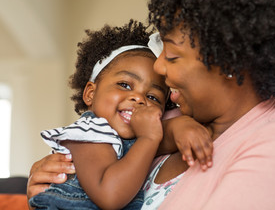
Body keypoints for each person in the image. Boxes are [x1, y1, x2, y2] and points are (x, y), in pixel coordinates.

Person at [28, 0, 275, 209]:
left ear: (230, 60)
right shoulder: (165, 125)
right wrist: (58, 186)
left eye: (172, 55)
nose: (159, 68)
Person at [28, 20, 212, 210]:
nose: (139, 98)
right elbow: (110, 196)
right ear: (91, 93)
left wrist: (182, 127)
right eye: (125, 85)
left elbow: (161, 135)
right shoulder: (89, 133)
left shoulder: (138, 137)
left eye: (152, 97)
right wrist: (148, 138)